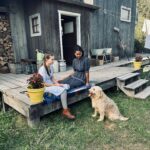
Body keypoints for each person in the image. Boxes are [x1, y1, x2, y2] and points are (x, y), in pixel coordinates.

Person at [38, 53, 75, 119]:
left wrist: (57, 84)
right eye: (52, 59)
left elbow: (52, 77)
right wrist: (55, 85)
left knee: (67, 86)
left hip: (51, 85)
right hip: (45, 87)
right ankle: (65, 110)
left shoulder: (51, 67)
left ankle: (60, 99)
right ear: (46, 59)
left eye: (53, 59)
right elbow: (42, 83)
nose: (53, 61)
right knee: (63, 90)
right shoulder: (42, 69)